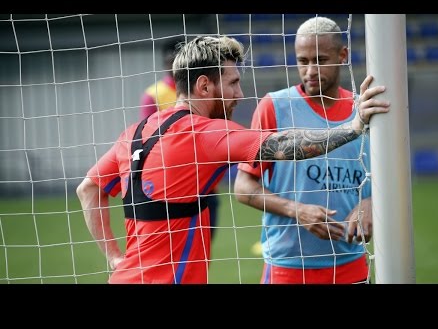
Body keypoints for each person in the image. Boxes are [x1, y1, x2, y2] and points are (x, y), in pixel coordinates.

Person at [76, 35, 389, 284]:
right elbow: (285, 145)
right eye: (233, 83)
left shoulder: (135, 131)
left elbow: (88, 189)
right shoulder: (206, 133)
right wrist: (353, 126)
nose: (240, 94)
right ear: (204, 86)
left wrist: (115, 257)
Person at [234, 16, 376, 284]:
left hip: (351, 265)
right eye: (303, 61)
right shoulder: (273, 107)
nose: (310, 70)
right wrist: (296, 210)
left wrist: (372, 203)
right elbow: (243, 187)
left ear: (342, 55)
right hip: (287, 267)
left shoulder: (365, 109)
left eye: (320, 60)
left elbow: (388, 178)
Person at [139, 37, 220, 238]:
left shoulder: (205, 89)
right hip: (171, 186)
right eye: (171, 58)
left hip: (206, 183)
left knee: (203, 247)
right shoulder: (153, 94)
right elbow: (149, 139)